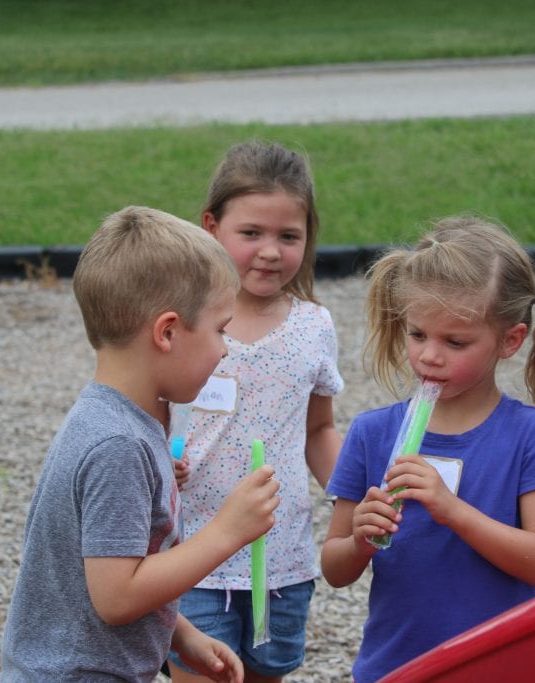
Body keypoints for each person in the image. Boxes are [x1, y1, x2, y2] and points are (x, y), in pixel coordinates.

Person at [0, 206, 280, 682]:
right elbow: (116, 597)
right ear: (167, 332)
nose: (224, 348)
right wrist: (227, 532)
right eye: (219, 330)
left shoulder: (114, 418)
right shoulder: (118, 445)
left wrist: (182, 634)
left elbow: (120, 567)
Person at [321, 215, 535, 682]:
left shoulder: (531, 436)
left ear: (510, 340)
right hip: (394, 666)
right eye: (417, 334)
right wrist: (359, 540)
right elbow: (335, 569)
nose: (429, 356)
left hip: (502, 666)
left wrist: (450, 508)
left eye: (455, 342)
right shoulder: (371, 433)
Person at [167, 141, 344, 683]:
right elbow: (148, 414)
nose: (270, 252)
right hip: (193, 555)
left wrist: (355, 498)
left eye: (288, 236)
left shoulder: (314, 327)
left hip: (283, 559)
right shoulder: (182, 321)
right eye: (251, 234)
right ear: (211, 226)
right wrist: (157, 461)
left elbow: (319, 429)